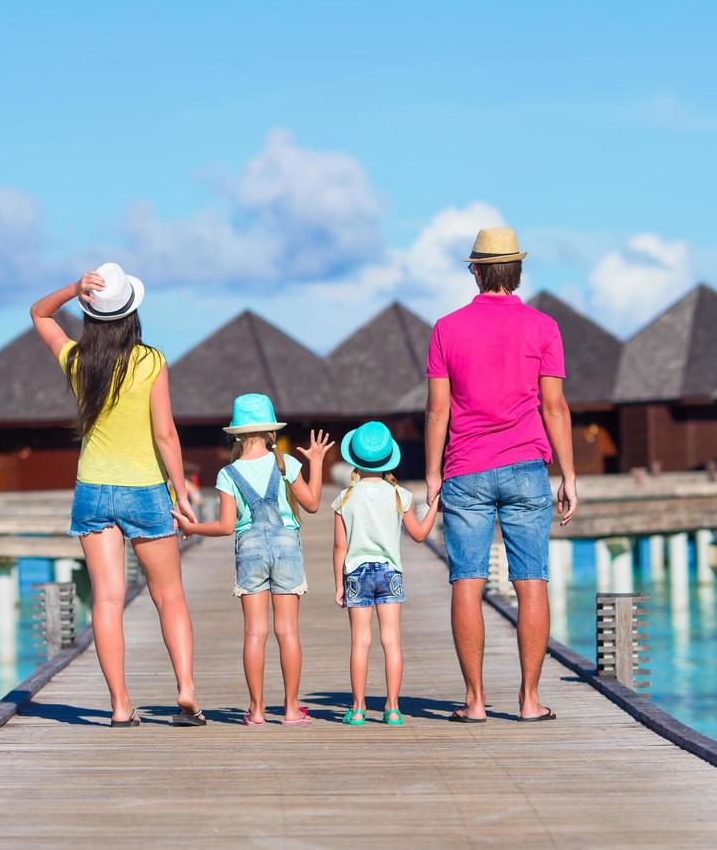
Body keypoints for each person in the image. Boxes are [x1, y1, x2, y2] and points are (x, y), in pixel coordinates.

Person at [31, 263, 203, 728]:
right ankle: (185, 690)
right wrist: (182, 493)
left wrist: (73, 288)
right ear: (132, 313)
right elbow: (166, 435)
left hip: (93, 489)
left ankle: (121, 707)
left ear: (91, 312)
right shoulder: (150, 362)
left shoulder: (76, 361)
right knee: (169, 597)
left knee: (107, 601)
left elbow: (39, 314)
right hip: (145, 488)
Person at [422, 227, 578, 723]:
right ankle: (530, 701)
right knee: (532, 582)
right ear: (517, 271)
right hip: (527, 467)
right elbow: (554, 406)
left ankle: (473, 702)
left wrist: (431, 475)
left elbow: (437, 411)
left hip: (466, 468)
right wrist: (569, 474)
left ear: (476, 271)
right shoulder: (543, 327)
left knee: (467, 582)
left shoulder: (447, 328)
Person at [174, 393, 333, 726]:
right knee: (287, 632)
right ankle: (291, 709)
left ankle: (257, 710)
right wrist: (316, 462)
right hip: (287, 546)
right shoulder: (286, 464)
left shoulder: (228, 474)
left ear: (235, 434)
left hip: (249, 550)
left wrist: (192, 526)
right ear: (270, 432)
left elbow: (225, 526)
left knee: (254, 633)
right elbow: (313, 504)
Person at [330, 420, 441, 726]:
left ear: (354, 458)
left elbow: (340, 547)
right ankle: (392, 708)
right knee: (391, 641)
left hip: (356, 574)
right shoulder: (399, 495)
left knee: (360, 643)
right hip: (390, 572)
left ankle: (358, 707)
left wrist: (339, 584)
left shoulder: (345, 498)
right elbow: (419, 534)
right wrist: (433, 506)